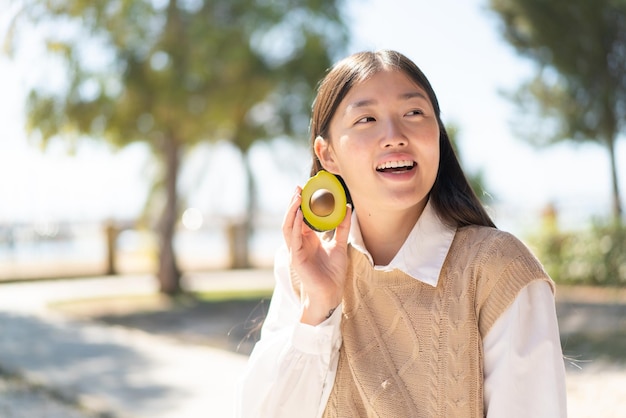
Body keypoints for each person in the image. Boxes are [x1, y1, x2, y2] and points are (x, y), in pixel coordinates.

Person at [236, 49, 567, 418]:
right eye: (366, 119)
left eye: (413, 113)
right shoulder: (303, 265)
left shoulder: (499, 272)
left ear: (438, 135)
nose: (394, 136)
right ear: (326, 155)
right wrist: (318, 307)